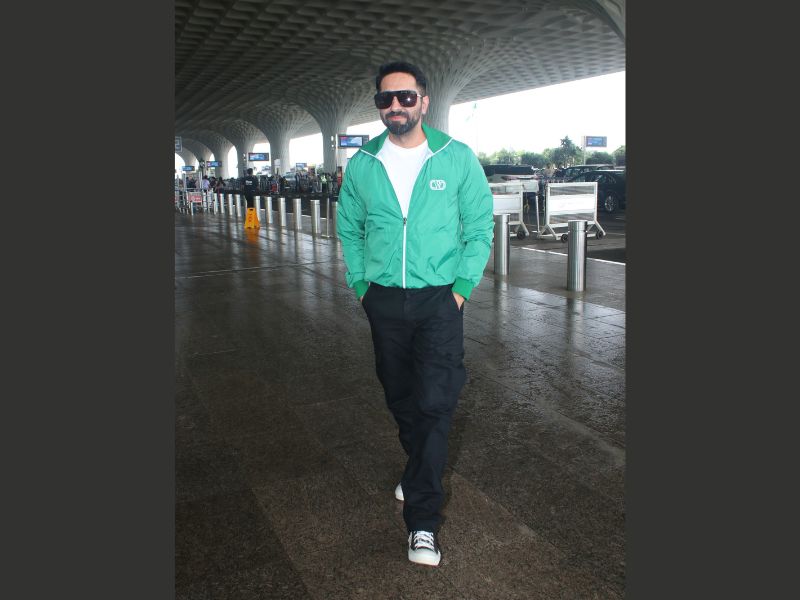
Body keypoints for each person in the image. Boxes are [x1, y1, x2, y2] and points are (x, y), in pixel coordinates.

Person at [337, 61, 494, 567]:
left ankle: (422, 522)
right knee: (401, 395)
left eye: (405, 97)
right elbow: (349, 228)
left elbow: (480, 227)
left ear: (423, 101)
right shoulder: (364, 163)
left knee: (435, 403)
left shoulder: (456, 157)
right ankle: (417, 466)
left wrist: (461, 289)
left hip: (439, 301)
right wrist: (361, 285)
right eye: (386, 99)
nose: (395, 106)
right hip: (384, 298)